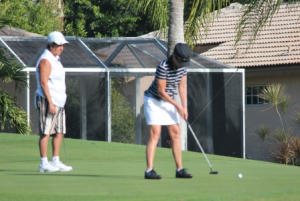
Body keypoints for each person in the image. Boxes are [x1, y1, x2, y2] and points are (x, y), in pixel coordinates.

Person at [143, 43, 193, 179]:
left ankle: (179, 170)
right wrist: (177, 106)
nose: (183, 66)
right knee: (155, 134)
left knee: (176, 132)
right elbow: (161, 92)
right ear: (175, 57)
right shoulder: (163, 66)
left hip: (169, 101)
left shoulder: (183, 68)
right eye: (181, 62)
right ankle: (149, 171)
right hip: (153, 100)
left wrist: (184, 106)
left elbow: (182, 87)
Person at [34, 31, 72, 172]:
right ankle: (43, 163)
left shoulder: (55, 59)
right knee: (46, 131)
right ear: (51, 45)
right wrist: (50, 103)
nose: (61, 48)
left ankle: (55, 160)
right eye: (59, 45)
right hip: (47, 100)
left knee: (59, 131)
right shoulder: (46, 60)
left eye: (62, 45)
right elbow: (44, 83)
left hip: (58, 101)